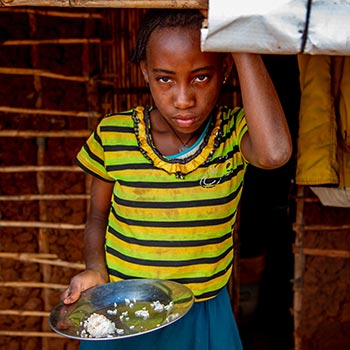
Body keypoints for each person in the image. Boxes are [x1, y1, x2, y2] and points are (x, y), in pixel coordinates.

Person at [61, 9, 292, 350]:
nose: (183, 99)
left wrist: (242, 45)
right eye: (165, 79)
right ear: (145, 73)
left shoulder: (233, 134)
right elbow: (98, 216)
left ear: (224, 70)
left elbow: (274, 154)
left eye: (201, 77)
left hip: (202, 311)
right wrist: (95, 269)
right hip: (124, 309)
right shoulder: (115, 134)